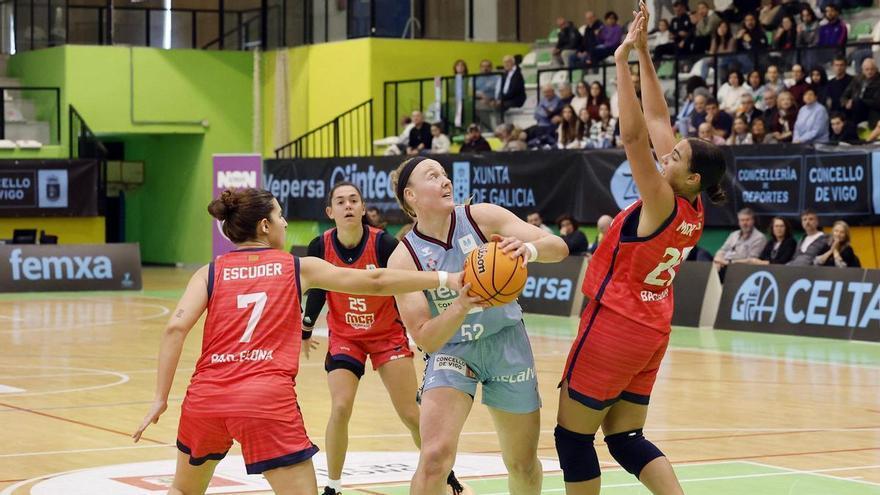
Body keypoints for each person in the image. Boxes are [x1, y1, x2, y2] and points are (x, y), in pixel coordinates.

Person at [133, 188, 464, 495]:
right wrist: (445, 278)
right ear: (265, 226)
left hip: (205, 400)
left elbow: (175, 329)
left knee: (182, 490)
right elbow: (376, 280)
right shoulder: (297, 267)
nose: (285, 223)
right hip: (265, 400)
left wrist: (160, 398)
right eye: (280, 216)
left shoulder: (209, 272)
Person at [556, 5, 727, 494]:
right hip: (652, 330)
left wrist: (619, 63)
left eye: (675, 156)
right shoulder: (693, 205)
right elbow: (657, 116)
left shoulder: (661, 199)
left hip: (615, 323)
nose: (666, 154)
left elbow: (634, 134)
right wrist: (644, 55)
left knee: (573, 438)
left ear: (691, 177)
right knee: (625, 437)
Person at [388, 156, 569, 495]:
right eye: (433, 176)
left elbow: (558, 247)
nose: (445, 181)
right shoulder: (404, 258)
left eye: (445, 174)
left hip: (506, 341)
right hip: (453, 350)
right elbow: (426, 338)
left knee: (522, 464)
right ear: (410, 195)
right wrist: (460, 306)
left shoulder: (481, 217)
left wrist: (528, 249)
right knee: (434, 459)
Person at [301, 183, 464, 495]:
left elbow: (406, 283)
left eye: (354, 200)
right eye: (340, 202)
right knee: (340, 407)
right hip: (346, 337)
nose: (348, 206)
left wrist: (427, 325)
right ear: (330, 212)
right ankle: (333, 486)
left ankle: (444, 473)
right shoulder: (320, 245)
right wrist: (306, 328)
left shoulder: (384, 243)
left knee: (410, 414)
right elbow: (318, 289)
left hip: (386, 335)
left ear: (363, 208)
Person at [713, 208, 767, 279]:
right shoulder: (734, 235)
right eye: (742, 220)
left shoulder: (759, 237)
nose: (744, 223)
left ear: (753, 221)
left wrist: (729, 262)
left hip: (743, 269)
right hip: (725, 265)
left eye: (747, 220)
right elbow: (722, 250)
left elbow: (751, 260)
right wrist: (718, 259)